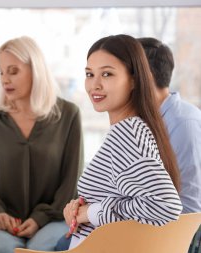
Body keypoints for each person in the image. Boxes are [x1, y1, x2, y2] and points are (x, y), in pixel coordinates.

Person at [62, 34, 182, 250]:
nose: (94, 85)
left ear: (134, 80)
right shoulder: (133, 128)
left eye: (107, 74)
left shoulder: (128, 134)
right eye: (89, 74)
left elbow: (166, 207)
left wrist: (91, 212)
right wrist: (83, 209)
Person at [0, 36, 84, 253]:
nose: (5, 79)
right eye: (2, 71)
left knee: (42, 246)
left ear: (36, 70)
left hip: (53, 218)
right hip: (4, 222)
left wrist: (40, 218)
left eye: (13, 71)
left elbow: (71, 180)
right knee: (1, 247)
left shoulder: (68, 115)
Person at [138, 37, 201, 252]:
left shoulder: (184, 122)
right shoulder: (149, 119)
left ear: (145, 77)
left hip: (176, 237)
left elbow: (190, 207)